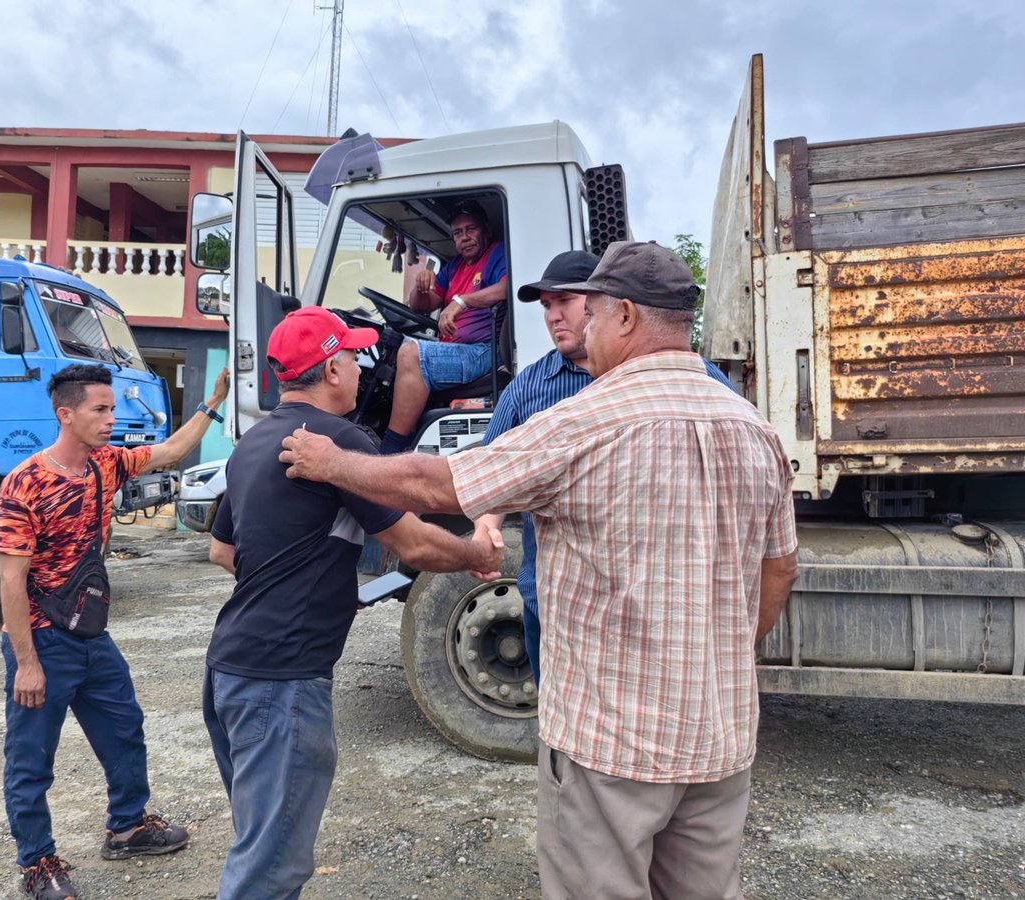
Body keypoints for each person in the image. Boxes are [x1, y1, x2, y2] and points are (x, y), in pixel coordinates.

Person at [277, 241, 801, 900]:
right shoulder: (754, 428)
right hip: (718, 742)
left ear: (626, 318)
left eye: (589, 312)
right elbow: (778, 570)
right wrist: (713, 656)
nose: (574, 325)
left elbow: (441, 484)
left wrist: (337, 464)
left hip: (613, 747)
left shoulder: (587, 419)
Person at [204, 306, 504, 900]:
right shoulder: (337, 441)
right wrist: (474, 549)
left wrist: (319, 582)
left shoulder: (254, 440)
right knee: (269, 870)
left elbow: (222, 550)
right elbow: (414, 540)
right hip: (281, 683)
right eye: (354, 359)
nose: (365, 371)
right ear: (332, 370)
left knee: (260, 840)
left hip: (230, 670)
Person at [0, 363, 230, 900]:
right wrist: (27, 661)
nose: (111, 418)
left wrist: (212, 402)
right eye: (100, 409)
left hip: (90, 635)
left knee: (125, 726)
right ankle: (37, 864)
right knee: (31, 760)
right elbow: (11, 581)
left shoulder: (107, 464)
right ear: (66, 414)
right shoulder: (25, 484)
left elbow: (170, 451)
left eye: (111, 407)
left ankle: (126, 827)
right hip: (41, 638)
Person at [478, 250, 738, 685]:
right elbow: (493, 470)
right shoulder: (530, 387)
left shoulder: (693, 378)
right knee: (562, 729)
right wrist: (486, 525)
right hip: (556, 604)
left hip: (657, 607)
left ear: (608, 306)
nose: (554, 316)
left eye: (565, 301)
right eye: (546, 306)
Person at [379, 204, 507, 454]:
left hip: (484, 351)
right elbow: (421, 306)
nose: (465, 237)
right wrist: (420, 288)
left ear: (486, 231)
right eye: (458, 233)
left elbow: (508, 287)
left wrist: (462, 301)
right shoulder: (455, 266)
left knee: (411, 354)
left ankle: (391, 450)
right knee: (394, 353)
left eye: (471, 229)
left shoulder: (497, 253)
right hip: (459, 350)